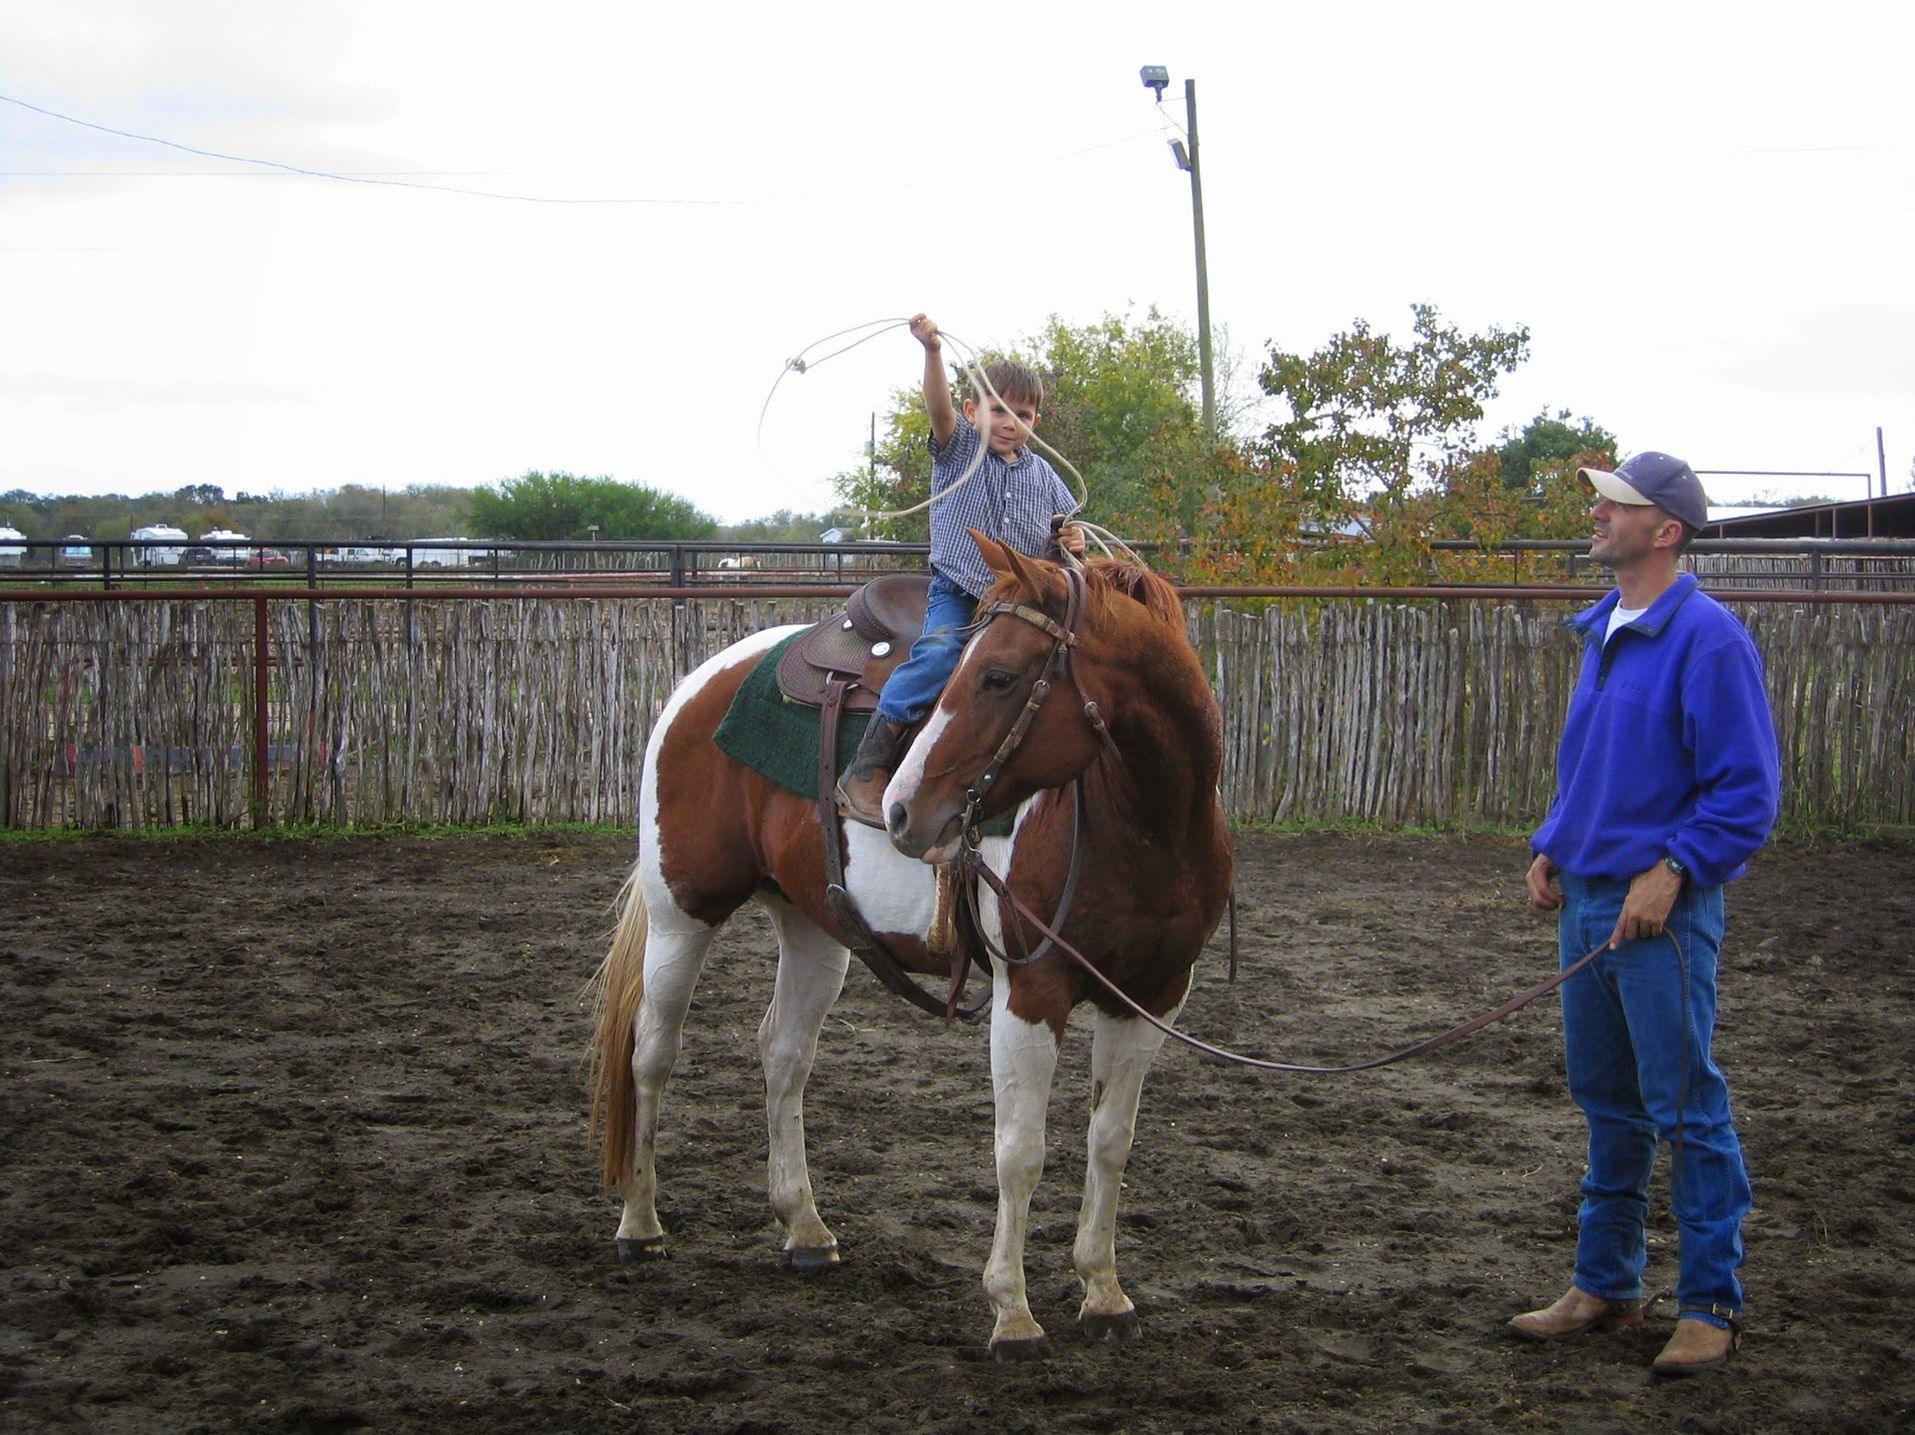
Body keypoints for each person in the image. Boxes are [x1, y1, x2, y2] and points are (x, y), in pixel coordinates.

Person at [1510, 450, 1780, 1376]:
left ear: (1663, 529)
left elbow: (1745, 792)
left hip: (1658, 917)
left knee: (1684, 1106)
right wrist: (1555, 840)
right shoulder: (1606, 628)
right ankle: (1606, 1281)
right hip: (1585, 902)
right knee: (1607, 1106)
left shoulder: (1707, 639)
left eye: (1613, 505)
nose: (1597, 516)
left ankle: (1709, 1302)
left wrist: (1674, 870)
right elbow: (1597, 765)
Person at [835, 313, 1083, 826]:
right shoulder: (960, 452)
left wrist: (1071, 540)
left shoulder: (1046, 476)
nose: (1010, 421)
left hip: (1018, 602)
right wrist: (931, 353)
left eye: (1024, 413)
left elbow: (1064, 534)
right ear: (972, 411)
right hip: (961, 588)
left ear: (1037, 422)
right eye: (997, 409)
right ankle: (868, 763)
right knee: (941, 651)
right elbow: (937, 407)